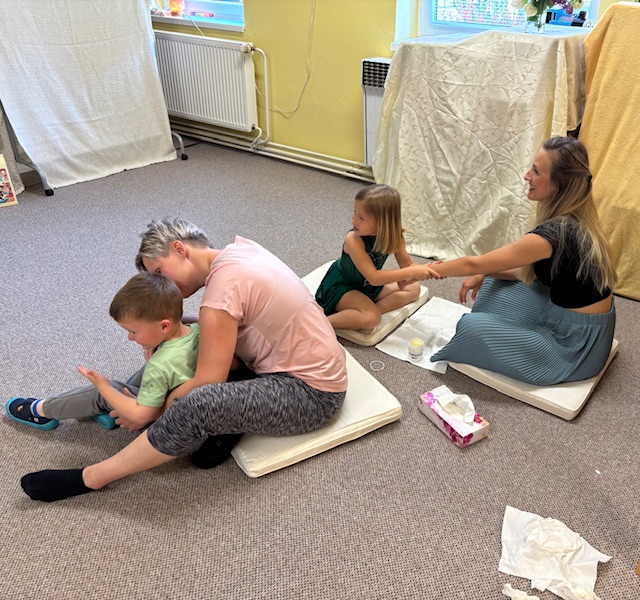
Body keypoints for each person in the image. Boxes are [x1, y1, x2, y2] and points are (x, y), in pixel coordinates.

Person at [19, 218, 348, 502]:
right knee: (178, 349)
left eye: (160, 271)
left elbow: (208, 380)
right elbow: (217, 321)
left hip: (312, 395)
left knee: (195, 402)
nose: (163, 284)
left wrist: (153, 411)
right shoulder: (239, 252)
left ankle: (93, 477)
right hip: (298, 363)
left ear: (180, 248)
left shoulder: (222, 293)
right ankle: (227, 423)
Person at [429, 136, 616, 386]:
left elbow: (474, 263)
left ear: (558, 184)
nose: (527, 176)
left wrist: (424, 271)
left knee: (469, 327)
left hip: (574, 344)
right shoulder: (575, 217)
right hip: (576, 320)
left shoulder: (554, 234)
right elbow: (528, 271)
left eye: (536, 171)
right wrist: (485, 273)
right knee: (494, 280)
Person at [6, 272, 199, 432]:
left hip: (164, 417)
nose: (129, 337)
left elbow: (142, 415)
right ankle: (109, 411)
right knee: (144, 374)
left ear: (164, 326)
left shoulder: (159, 365)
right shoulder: (197, 329)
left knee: (101, 392)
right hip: (184, 397)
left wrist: (104, 388)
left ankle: (40, 411)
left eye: (133, 332)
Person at [315, 184, 439, 331]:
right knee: (371, 318)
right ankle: (317, 324)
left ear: (382, 223)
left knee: (413, 288)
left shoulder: (395, 236)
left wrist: (428, 269)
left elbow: (407, 265)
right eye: (355, 213)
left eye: (361, 218)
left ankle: (366, 311)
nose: (353, 220)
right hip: (342, 286)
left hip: (367, 286)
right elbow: (374, 277)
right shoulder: (353, 239)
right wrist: (411, 272)